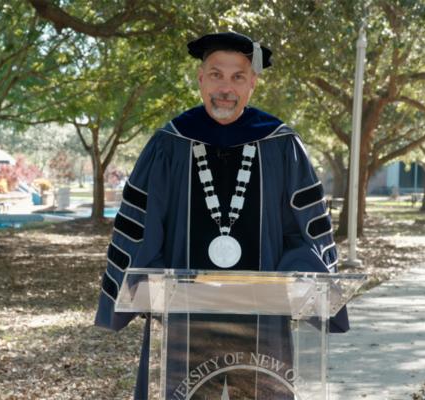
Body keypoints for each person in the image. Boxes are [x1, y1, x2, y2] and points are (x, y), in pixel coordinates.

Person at [94, 32, 348, 400]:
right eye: (216, 75)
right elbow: (141, 228)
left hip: (263, 316)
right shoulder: (170, 142)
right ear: (200, 79)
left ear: (252, 84)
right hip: (187, 317)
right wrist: (147, 285)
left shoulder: (281, 144)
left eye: (237, 77)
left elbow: (304, 231)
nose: (225, 88)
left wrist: (298, 281)